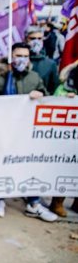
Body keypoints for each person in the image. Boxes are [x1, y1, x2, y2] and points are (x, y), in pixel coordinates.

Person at [0, 42, 57, 222]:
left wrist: (40, 95)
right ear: (11, 57)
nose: (22, 59)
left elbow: (46, 96)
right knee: (2, 162)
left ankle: (33, 202)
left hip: (26, 131)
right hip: (4, 129)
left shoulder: (34, 77)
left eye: (25, 56)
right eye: (18, 55)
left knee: (28, 164)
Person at [50, 61, 78, 216]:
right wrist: (67, 99)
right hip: (65, 136)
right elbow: (55, 103)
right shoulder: (64, 88)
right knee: (64, 168)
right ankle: (57, 202)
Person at [26, 26, 59, 94]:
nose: (36, 41)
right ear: (26, 39)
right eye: (32, 38)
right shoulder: (18, 61)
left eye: (39, 39)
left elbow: (54, 89)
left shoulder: (50, 64)